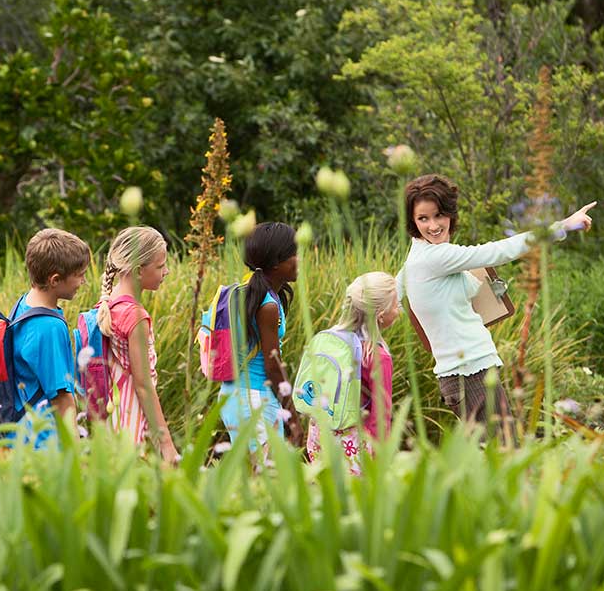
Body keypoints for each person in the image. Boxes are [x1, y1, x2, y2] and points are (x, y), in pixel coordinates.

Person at [398, 173, 595, 431]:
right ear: (413, 221)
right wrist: (563, 226)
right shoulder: (435, 257)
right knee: (503, 455)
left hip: (467, 371)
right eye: (423, 218)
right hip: (469, 373)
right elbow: (498, 250)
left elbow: (396, 293)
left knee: (494, 459)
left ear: (450, 214)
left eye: (438, 215)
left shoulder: (418, 255)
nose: (433, 225)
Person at [219, 222, 304, 455]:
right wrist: (293, 419)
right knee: (267, 480)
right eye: (294, 254)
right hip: (255, 399)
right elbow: (273, 366)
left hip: (232, 395)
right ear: (276, 263)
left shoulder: (244, 292)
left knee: (251, 477)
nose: (300, 259)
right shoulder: (266, 305)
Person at [96, 226, 179, 464]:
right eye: (161, 266)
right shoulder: (135, 317)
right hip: (133, 424)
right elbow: (143, 386)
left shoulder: (106, 308)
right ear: (139, 270)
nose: (167, 272)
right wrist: (167, 444)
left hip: (111, 420)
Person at [306, 272, 399, 474]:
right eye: (395, 305)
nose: (398, 310)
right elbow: (380, 417)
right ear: (381, 315)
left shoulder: (331, 341)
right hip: (354, 446)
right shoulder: (377, 356)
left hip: (320, 435)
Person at [12, 228, 90, 449]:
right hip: (44, 442)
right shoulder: (49, 327)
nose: (83, 282)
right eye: (80, 275)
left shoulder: (24, 304)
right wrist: (76, 456)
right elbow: (62, 399)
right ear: (55, 279)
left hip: (20, 432)